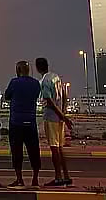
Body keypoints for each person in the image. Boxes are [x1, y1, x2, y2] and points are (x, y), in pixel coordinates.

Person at [35, 57, 73, 187]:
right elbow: (65, 95)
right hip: (59, 118)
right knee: (60, 147)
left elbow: (49, 101)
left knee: (54, 148)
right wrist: (63, 114)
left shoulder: (44, 80)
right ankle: (66, 176)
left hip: (51, 117)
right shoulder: (56, 77)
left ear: (37, 68)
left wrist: (62, 116)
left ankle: (58, 177)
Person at [4, 61, 42, 189]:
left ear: (18, 70)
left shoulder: (14, 82)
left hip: (16, 122)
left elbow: (7, 96)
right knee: (34, 150)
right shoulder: (35, 83)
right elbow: (37, 95)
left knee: (17, 151)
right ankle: (35, 179)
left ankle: (19, 179)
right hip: (31, 121)